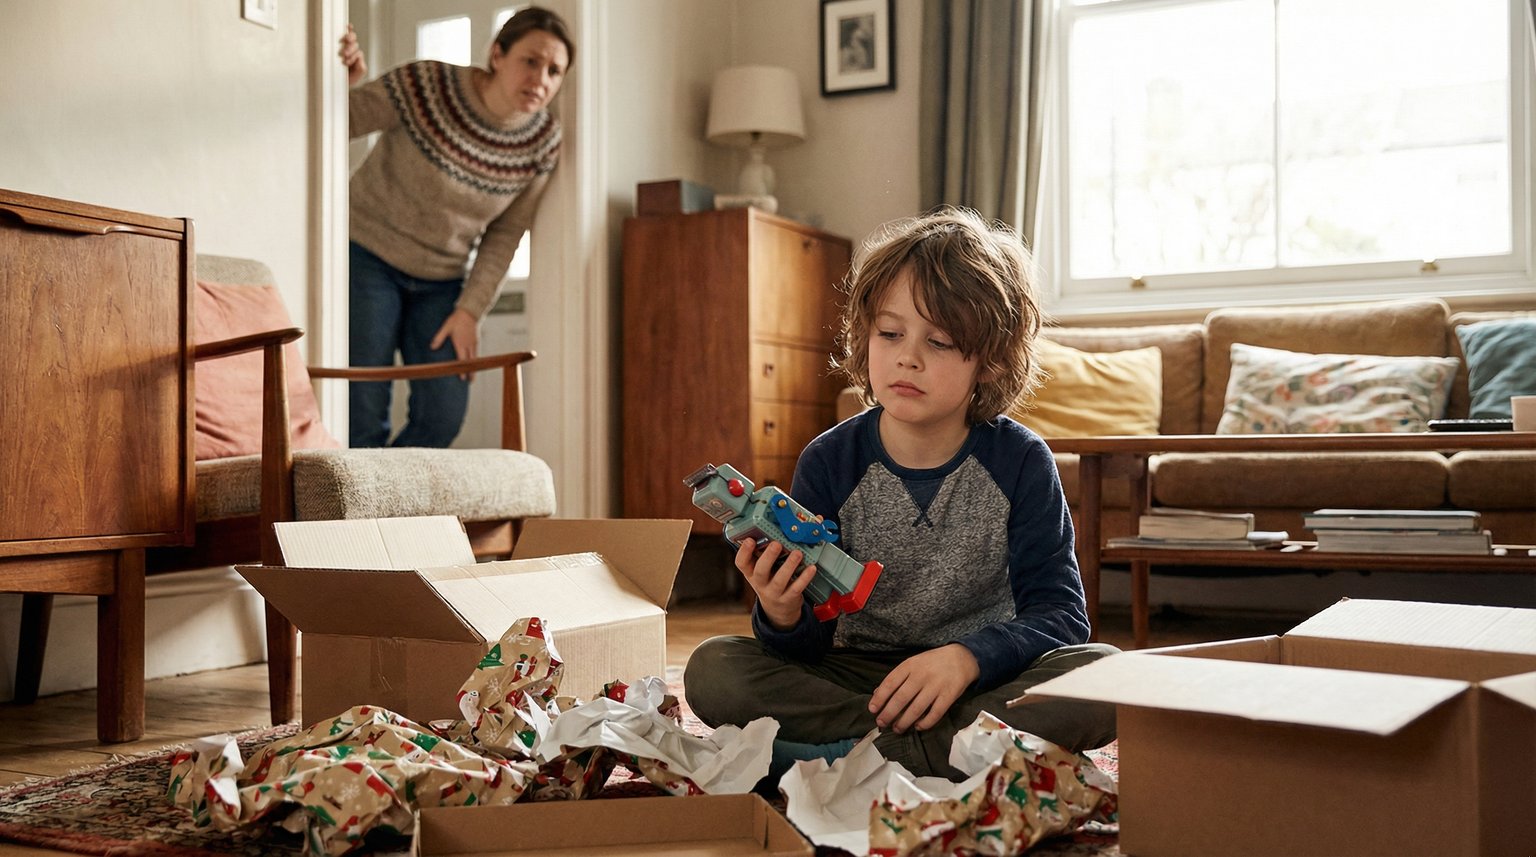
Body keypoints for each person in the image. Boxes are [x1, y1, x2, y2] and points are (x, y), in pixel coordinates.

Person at [684, 207, 1119, 783]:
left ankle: (850, 760)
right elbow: (806, 644)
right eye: (889, 334)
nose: (906, 356)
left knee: (1105, 677)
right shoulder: (829, 460)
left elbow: (1061, 616)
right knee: (713, 668)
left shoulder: (1021, 462)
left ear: (988, 361)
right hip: (857, 678)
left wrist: (966, 659)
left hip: (976, 678)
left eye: (938, 342)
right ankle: (958, 753)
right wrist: (782, 610)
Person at [337, 8, 572, 448]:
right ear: (497, 54)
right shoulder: (426, 85)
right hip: (367, 257)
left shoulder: (542, 141)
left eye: (555, 70)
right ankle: (361, 515)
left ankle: (393, 508)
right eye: (531, 61)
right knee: (363, 413)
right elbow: (338, 123)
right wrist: (342, 80)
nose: (541, 78)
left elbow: (505, 235)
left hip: (442, 283)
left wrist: (470, 311)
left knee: (443, 415)